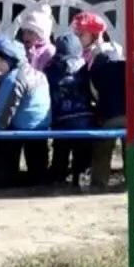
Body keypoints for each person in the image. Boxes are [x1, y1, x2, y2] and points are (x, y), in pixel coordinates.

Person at [0, 36, 52, 188]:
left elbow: (3, 110)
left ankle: (4, 180)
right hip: (41, 128)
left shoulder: (14, 79)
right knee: (38, 164)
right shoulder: (39, 75)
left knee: (4, 141)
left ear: (7, 59)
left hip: (21, 128)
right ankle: (40, 182)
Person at [45, 33, 96, 186]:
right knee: (83, 151)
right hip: (84, 118)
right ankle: (79, 176)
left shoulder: (51, 69)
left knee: (61, 150)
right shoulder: (84, 68)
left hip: (61, 119)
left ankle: (58, 177)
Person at [86, 39, 126, 189]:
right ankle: (133, 179)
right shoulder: (126, 67)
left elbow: (94, 94)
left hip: (108, 116)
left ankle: (99, 181)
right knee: (131, 147)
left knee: (102, 150)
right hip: (131, 117)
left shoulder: (97, 70)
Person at [18, 4, 57, 71]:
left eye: (30, 32)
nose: (25, 36)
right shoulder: (23, 50)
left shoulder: (48, 52)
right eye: (24, 32)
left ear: (40, 35)